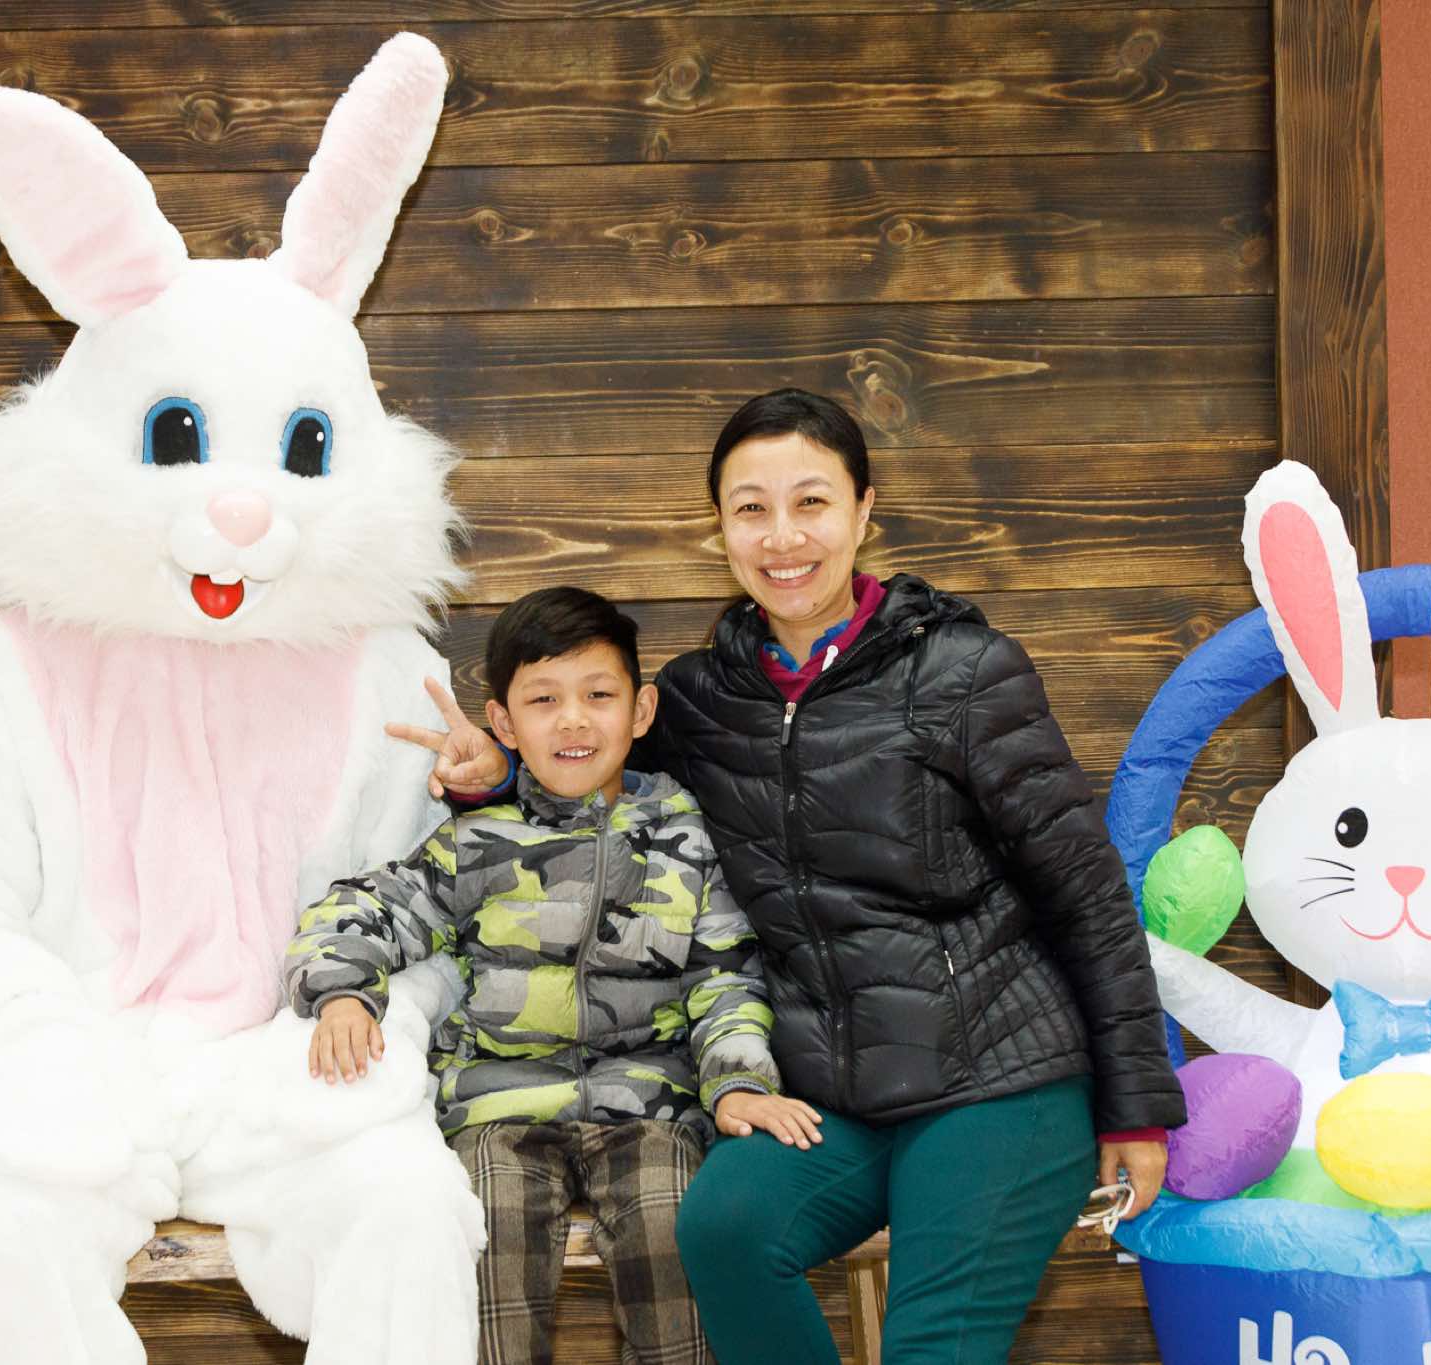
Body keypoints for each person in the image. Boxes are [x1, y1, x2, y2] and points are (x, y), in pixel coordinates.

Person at [391, 390, 1187, 1364]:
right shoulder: (699, 699)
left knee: (931, 1346)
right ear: (718, 528)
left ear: (862, 510)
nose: (782, 537)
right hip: (828, 1097)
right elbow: (588, 783)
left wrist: (1137, 1105)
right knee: (724, 1227)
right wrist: (495, 777)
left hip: (993, 1081)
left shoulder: (965, 673)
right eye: (750, 508)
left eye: (810, 502)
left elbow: (1087, 893)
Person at [285, 586, 821, 1365]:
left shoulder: (687, 839)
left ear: (640, 711)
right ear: (504, 723)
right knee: (487, 1238)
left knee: (675, 1230)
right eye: (543, 700)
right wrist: (342, 993)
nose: (573, 720)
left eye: (598, 695)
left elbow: (726, 981)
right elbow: (358, 910)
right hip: (497, 1108)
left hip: (649, 1106)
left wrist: (737, 1080)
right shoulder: (476, 843)